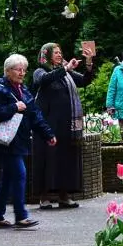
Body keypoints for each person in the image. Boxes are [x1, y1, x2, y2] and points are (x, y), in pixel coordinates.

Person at [0, 53, 55, 229]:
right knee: (19, 174)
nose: (22, 73)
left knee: (8, 178)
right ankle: (21, 216)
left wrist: (48, 134)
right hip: (6, 142)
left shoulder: (23, 90)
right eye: (18, 69)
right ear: (8, 71)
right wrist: (13, 107)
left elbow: (35, 115)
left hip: (19, 140)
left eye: (24, 70)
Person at [32, 42, 95, 209]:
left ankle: (64, 195)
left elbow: (84, 81)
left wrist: (88, 63)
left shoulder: (66, 74)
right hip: (48, 123)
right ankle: (44, 196)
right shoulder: (41, 71)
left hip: (66, 125)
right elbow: (44, 80)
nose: (59, 55)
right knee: (48, 158)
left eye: (60, 52)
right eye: (56, 52)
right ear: (47, 55)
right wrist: (66, 69)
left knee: (66, 158)